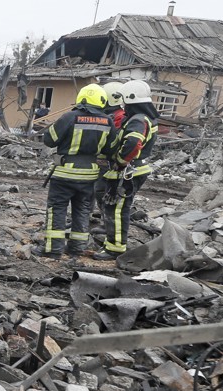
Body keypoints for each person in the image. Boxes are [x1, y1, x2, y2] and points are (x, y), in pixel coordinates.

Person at [36, 83, 113, 258]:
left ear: (82, 98)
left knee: (57, 209)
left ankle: (53, 249)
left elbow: (49, 139)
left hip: (64, 173)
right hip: (90, 176)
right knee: (82, 210)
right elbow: (111, 148)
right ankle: (77, 248)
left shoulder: (70, 117)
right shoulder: (107, 121)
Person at [96, 80, 158, 261]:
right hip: (131, 170)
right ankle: (112, 244)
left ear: (131, 99)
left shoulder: (137, 120)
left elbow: (132, 143)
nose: (122, 104)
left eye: (124, 100)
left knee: (117, 209)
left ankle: (115, 249)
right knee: (112, 207)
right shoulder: (141, 118)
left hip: (129, 172)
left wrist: (120, 161)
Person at [93, 81, 128, 223]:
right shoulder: (111, 115)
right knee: (97, 190)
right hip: (103, 160)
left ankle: (107, 222)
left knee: (102, 191)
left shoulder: (118, 116)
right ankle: (103, 219)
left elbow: (113, 138)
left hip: (110, 161)